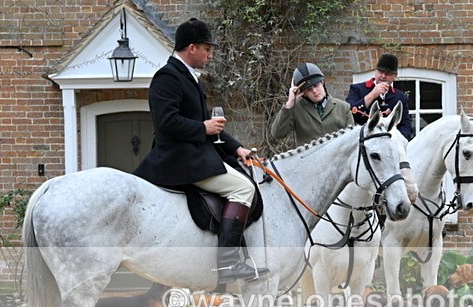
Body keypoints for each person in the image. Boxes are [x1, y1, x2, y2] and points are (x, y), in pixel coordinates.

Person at [134, 18, 268, 283]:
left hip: (193, 154)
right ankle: (228, 264)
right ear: (191, 48)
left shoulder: (188, 77)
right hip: (179, 159)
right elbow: (166, 122)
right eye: (207, 49)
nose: (211, 55)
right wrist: (202, 128)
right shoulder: (167, 77)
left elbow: (209, 124)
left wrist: (237, 148)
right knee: (244, 189)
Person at [271, 62, 354, 147]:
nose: (314, 91)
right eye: (309, 89)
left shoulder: (343, 108)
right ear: (303, 93)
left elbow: (353, 141)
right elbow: (277, 134)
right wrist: (290, 102)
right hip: (308, 155)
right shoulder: (296, 109)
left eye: (316, 85)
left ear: (322, 82)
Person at [346, 53, 413, 141]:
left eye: (388, 74)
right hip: (362, 142)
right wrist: (373, 94)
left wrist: (396, 141)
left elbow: (406, 126)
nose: (383, 76)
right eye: (381, 72)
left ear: (395, 76)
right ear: (375, 71)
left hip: (389, 141)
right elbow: (350, 114)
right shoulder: (357, 89)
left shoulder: (400, 97)